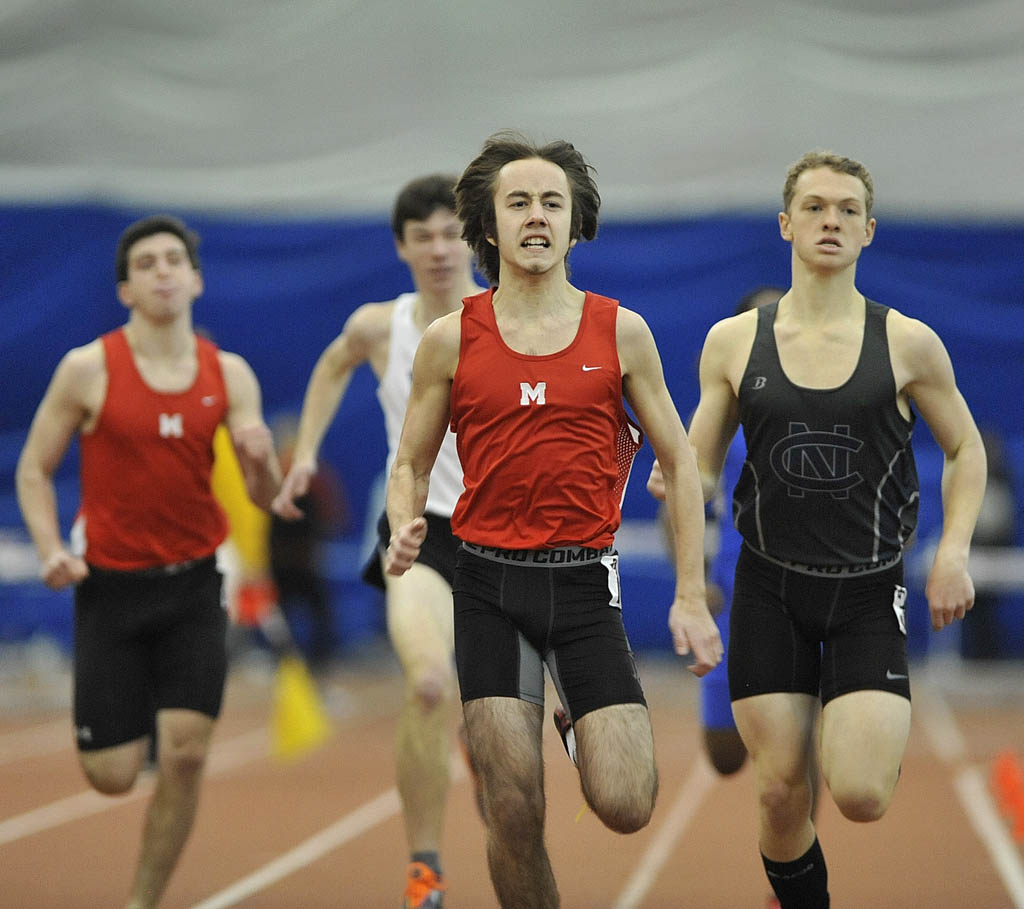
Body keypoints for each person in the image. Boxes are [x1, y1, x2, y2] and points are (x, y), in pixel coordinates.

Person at [384, 131, 722, 908]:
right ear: (489, 226)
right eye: (518, 202)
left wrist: (690, 595)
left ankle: (572, 708)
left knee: (627, 800)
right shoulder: (450, 339)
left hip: (581, 585)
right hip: (488, 584)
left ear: (575, 225)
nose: (536, 216)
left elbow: (680, 466)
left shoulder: (621, 332)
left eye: (551, 203)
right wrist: (405, 521)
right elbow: (409, 460)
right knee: (511, 805)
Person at [676, 151, 987, 908]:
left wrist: (952, 553)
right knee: (780, 791)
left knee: (858, 793)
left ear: (869, 231)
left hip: (868, 590)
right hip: (767, 585)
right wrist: (690, 585)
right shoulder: (732, 341)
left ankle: (860, 722)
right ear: (786, 223)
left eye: (847, 210)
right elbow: (697, 473)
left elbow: (967, 448)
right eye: (815, 207)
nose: (831, 221)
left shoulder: (909, 342)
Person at [15, 214, 281, 909]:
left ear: (196, 278)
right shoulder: (87, 368)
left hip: (194, 586)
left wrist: (261, 463)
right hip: (109, 591)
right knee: (111, 773)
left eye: (174, 260)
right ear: (126, 288)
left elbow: (264, 496)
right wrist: (49, 548)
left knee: (187, 751)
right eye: (146, 263)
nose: (163, 271)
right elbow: (34, 470)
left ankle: (143, 900)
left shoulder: (230, 374)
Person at [271, 174, 485, 908]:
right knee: (428, 683)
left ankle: (484, 746)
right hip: (419, 530)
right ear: (400, 246)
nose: (437, 248)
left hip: (508, 537)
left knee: (499, 725)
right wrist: (305, 451)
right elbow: (332, 365)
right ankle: (425, 865)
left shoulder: (510, 316)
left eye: (450, 232)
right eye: (420, 235)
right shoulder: (380, 325)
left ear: (475, 236)